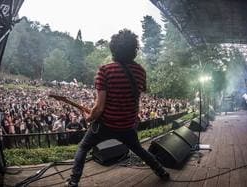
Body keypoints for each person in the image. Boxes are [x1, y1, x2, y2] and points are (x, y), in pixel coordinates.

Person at [65, 29, 170, 187]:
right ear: (134, 49)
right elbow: (135, 98)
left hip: (105, 125)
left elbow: (99, 108)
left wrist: (90, 117)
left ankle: (73, 181)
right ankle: (161, 171)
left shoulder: (105, 70)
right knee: (140, 150)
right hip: (127, 126)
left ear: (113, 49)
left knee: (83, 147)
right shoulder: (141, 72)